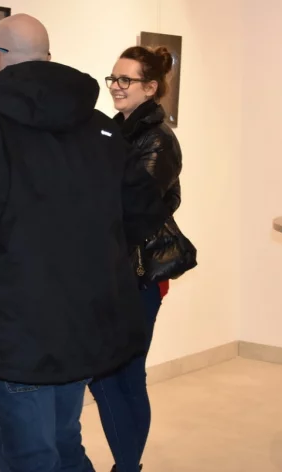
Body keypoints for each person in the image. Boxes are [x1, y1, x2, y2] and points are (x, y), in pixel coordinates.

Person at [0, 14, 167, 472]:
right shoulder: (100, 128)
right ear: (48, 59)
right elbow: (141, 210)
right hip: (80, 324)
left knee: (34, 459)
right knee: (64, 446)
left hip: (9, 331)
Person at [89, 46, 187, 472]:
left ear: (151, 88)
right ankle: (128, 467)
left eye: (125, 80)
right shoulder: (117, 131)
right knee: (123, 375)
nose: (115, 87)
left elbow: (132, 206)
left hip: (138, 275)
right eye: (113, 78)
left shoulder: (158, 139)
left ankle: (126, 467)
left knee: (114, 374)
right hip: (114, 270)